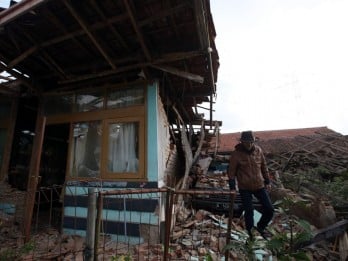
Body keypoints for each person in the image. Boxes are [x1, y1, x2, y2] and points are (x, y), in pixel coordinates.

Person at [228, 131, 274, 240]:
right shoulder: (236, 154)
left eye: (250, 142)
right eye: (246, 142)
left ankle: (260, 227)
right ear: (242, 142)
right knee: (249, 211)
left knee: (270, 209)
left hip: (259, 185)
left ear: (253, 141)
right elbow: (231, 172)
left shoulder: (258, 151)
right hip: (245, 188)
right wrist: (232, 188)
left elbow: (264, 167)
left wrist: (267, 181)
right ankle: (250, 234)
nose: (249, 144)